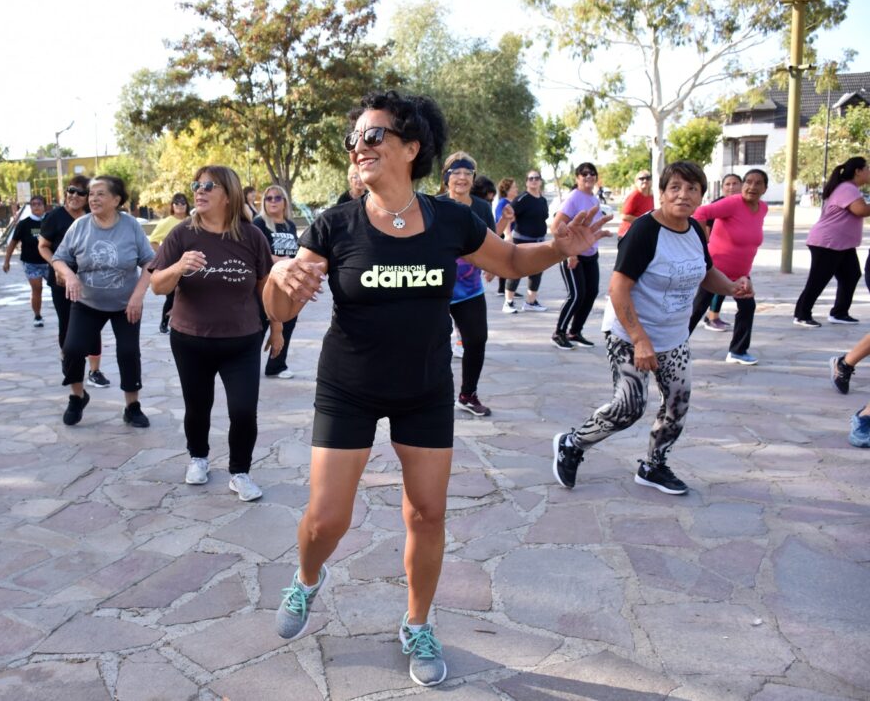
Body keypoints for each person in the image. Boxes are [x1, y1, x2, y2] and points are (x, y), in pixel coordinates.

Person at [264, 90, 608, 687]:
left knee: (427, 513)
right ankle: (307, 579)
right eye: (354, 139)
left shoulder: (450, 219)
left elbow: (510, 262)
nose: (360, 147)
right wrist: (276, 276)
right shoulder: (335, 225)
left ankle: (417, 623)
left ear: (411, 147)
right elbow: (279, 308)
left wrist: (558, 248)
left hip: (423, 386)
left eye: (374, 135)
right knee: (325, 520)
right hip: (348, 386)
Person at [552, 161, 752, 496]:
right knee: (629, 406)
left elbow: (706, 272)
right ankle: (572, 443)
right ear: (662, 193)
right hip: (628, 332)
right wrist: (640, 340)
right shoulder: (645, 231)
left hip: (673, 337)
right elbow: (618, 289)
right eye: (675, 187)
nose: (683, 195)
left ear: (701, 196)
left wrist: (732, 288)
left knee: (678, 403)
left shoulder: (694, 230)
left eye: (692, 189)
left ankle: (653, 466)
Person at [149, 166, 279, 502]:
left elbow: (266, 287)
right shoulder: (182, 234)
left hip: (242, 340)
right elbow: (156, 285)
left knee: (243, 410)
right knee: (197, 406)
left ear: (229, 194)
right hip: (190, 340)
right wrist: (179, 267)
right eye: (197, 184)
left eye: (209, 185)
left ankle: (240, 472)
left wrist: (277, 327)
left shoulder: (252, 236)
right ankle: (198, 457)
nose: (199, 190)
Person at [51, 175, 154, 428]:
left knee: (128, 352)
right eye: (91, 194)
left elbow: (149, 262)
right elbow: (59, 258)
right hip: (87, 303)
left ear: (116, 200)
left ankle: (132, 406)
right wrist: (70, 276)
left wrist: (138, 295)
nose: (93, 199)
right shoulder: (80, 226)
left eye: (100, 194)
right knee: (72, 349)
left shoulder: (130, 226)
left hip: (125, 304)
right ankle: (77, 397)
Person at [687, 169, 768, 365]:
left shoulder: (763, 208)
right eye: (749, 181)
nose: (752, 186)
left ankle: (738, 351)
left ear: (765, 188)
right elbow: (701, 213)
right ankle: (672, 346)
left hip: (741, 273)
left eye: (758, 183)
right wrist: (701, 243)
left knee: (747, 307)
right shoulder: (732, 203)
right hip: (716, 269)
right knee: (698, 308)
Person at [436, 152, 496, 417]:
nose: (462, 177)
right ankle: (427, 394)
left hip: (469, 289)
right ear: (446, 177)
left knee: (477, 339)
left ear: (473, 178)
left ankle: (467, 395)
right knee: (430, 342)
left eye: (467, 173)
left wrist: (493, 265)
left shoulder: (482, 207)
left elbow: (492, 240)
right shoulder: (434, 205)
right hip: (436, 287)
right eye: (456, 172)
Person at [38, 176, 110, 388]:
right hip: (61, 282)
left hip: (90, 280)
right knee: (67, 324)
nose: (75, 196)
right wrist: (57, 266)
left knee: (93, 324)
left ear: (88, 197)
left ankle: (95, 371)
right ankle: (69, 361)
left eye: (81, 193)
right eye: (72, 190)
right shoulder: (54, 217)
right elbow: (43, 246)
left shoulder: (93, 215)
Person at [793, 157, 870, 327]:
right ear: (858, 171)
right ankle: (801, 315)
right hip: (828, 242)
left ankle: (839, 313)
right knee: (818, 279)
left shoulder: (849, 188)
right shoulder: (847, 188)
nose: (869, 172)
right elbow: (861, 210)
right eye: (867, 169)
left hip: (842, 244)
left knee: (851, 275)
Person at [551, 162, 604, 350]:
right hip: (573, 255)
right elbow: (556, 226)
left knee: (591, 293)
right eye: (584, 174)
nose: (589, 176)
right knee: (576, 295)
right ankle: (559, 333)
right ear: (577, 178)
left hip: (591, 254)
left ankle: (575, 332)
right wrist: (570, 253)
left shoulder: (594, 199)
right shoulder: (573, 198)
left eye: (592, 173)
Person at [253, 184, 300, 379]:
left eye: (277, 198)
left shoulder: (290, 225)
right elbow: (258, 253)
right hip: (265, 282)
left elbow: (296, 252)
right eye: (269, 198)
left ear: (285, 202)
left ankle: (277, 365)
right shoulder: (259, 223)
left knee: (287, 323)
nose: (273, 201)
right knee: (259, 327)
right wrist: (282, 261)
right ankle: (247, 367)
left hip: (288, 284)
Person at [701, 173, 743, 332]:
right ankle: (712, 318)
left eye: (735, 183)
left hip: (735, 255)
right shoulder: (718, 204)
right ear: (723, 187)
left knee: (722, 288)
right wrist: (707, 246)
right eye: (728, 184)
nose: (731, 187)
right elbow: (706, 225)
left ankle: (711, 316)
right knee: (717, 287)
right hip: (718, 253)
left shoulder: (744, 204)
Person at [503, 171, 549, 313]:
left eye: (536, 178)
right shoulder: (522, 199)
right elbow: (507, 215)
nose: (534, 180)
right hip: (521, 241)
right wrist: (507, 235)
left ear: (540, 181)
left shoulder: (542, 200)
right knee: (516, 271)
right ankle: (508, 303)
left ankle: (531, 302)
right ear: (526, 182)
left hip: (539, 241)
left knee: (536, 272)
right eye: (531, 178)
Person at [2, 195, 50, 327]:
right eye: (33, 204)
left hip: (50, 262)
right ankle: (37, 315)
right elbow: (13, 243)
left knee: (58, 289)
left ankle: (64, 314)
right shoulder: (24, 224)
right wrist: (7, 261)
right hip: (31, 263)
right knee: (37, 288)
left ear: (44, 206)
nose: (36, 207)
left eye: (39, 204)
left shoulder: (50, 221)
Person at [148, 193, 190, 334]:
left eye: (183, 203)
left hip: (191, 266)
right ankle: (164, 323)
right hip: (173, 266)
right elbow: (153, 240)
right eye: (177, 203)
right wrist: (165, 256)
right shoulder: (166, 222)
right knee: (171, 296)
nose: (180, 205)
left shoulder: (193, 220)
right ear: (172, 205)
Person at [618, 169, 654, 239]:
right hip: (628, 235)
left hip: (642, 234)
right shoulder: (634, 195)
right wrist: (642, 220)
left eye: (648, 178)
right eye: (641, 179)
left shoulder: (651, 196)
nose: (645, 180)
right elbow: (624, 216)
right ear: (636, 182)